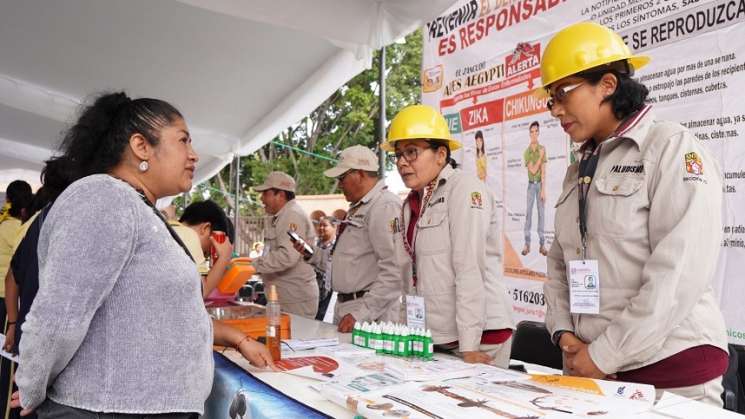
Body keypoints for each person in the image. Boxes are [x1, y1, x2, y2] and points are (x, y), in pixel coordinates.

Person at [12, 92, 273, 417]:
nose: (194, 155)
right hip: (108, 410)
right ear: (141, 146)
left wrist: (237, 339)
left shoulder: (137, 209)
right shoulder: (102, 198)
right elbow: (59, 316)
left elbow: (165, 319)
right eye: (183, 141)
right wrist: (31, 387)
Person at [541, 22, 728, 406]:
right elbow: (560, 260)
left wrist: (604, 353)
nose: (556, 109)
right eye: (550, 99)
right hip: (593, 367)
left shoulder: (671, 148)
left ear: (607, 85)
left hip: (669, 371)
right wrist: (564, 334)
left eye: (563, 93)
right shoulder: (580, 166)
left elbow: (677, 275)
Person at [382, 104, 514, 367]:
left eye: (412, 152)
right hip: (437, 337)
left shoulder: (464, 190)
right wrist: (406, 332)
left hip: (478, 338)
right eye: (397, 155)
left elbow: (469, 268)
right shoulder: (410, 204)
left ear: (441, 154)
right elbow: (409, 277)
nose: (402, 163)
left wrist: (469, 345)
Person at [296, 146, 405, 332]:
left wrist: (361, 314)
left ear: (360, 174)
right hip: (348, 307)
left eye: (342, 178)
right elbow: (349, 262)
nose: (339, 184)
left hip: (369, 313)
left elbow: (395, 270)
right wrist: (312, 254)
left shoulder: (384, 206)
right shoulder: (359, 207)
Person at [252, 171, 318, 317]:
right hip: (285, 297)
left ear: (280, 195)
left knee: (295, 338)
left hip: (295, 298)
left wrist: (252, 265)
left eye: (265, 193)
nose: (262, 198)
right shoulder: (281, 216)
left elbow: (287, 256)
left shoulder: (291, 215)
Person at [178, 200, 234, 297]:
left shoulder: (167, 227)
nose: (203, 256)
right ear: (205, 228)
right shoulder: (190, 236)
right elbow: (200, 293)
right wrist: (225, 257)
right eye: (205, 252)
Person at [522, 121, 547, 256]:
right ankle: (527, 244)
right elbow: (532, 170)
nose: (534, 134)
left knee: (541, 214)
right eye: (531, 132)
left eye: (536, 131)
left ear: (538, 132)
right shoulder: (527, 152)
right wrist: (540, 157)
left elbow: (543, 171)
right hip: (531, 186)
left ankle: (542, 245)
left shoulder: (542, 148)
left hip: (540, 186)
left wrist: (543, 189)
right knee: (529, 215)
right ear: (529, 133)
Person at [310, 216, 336, 321]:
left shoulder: (337, 247)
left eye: (325, 225)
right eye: (319, 225)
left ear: (334, 228)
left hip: (328, 293)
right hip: (313, 292)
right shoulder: (315, 245)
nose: (321, 228)